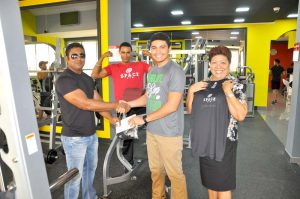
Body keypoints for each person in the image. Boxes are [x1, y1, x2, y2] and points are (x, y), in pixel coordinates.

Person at [55, 42, 129, 199]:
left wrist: (111, 119)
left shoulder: (88, 79)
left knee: (90, 172)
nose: (79, 58)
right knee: (74, 178)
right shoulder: (64, 80)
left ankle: (90, 196)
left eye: (82, 55)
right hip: (74, 138)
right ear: (67, 58)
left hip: (91, 135)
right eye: (74, 55)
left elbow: (98, 103)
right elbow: (86, 104)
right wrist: (116, 104)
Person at [126, 32, 188, 199]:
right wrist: (129, 103)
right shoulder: (153, 69)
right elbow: (149, 96)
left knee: (175, 175)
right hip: (153, 130)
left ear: (169, 49)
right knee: (156, 171)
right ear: (150, 50)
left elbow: (172, 105)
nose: (158, 51)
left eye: (162, 47)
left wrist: (144, 119)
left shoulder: (176, 71)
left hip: (169, 132)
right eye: (154, 47)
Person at [186, 46, 248, 199]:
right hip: (205, 139)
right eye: (214, 62)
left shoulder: (235, 85)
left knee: (222, 184)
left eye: (223, 63)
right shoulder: (203, 84)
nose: (218, 67)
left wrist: (228, 93)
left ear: (229, 64)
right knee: (210, 182)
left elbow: (240, 115)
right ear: (209, 64)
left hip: (224, 141)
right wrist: (190, 91)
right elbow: (191, 110)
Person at [91, 42, 150, 166]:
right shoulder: (114, 67)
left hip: (139, 104)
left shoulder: (140, 65)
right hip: (123, 106)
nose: (126, 55)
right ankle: (128, 164)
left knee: (152, 128)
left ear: (131, 53)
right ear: (120, 53)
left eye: (128, 52)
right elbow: (95, 75)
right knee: (127, 137)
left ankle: (154, 160)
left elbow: (159, 72)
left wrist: (151, 56)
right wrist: (102, 57)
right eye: (123, 52)